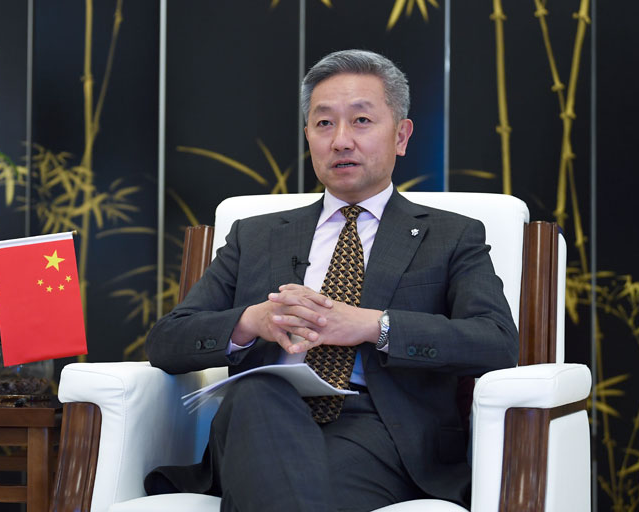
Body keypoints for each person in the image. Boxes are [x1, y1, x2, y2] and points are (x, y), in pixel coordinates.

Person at [144, 49, 518, 511]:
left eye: (361, 120)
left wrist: (374, 326)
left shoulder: (451, 235)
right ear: (308, 136)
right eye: (324, 123)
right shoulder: (255, 236)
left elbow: (496, 341)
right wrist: (251, 322)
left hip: (379, 435)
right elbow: (167, 342)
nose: (341, 141)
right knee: (257, 393)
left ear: (401, 136)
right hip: (255, 423)